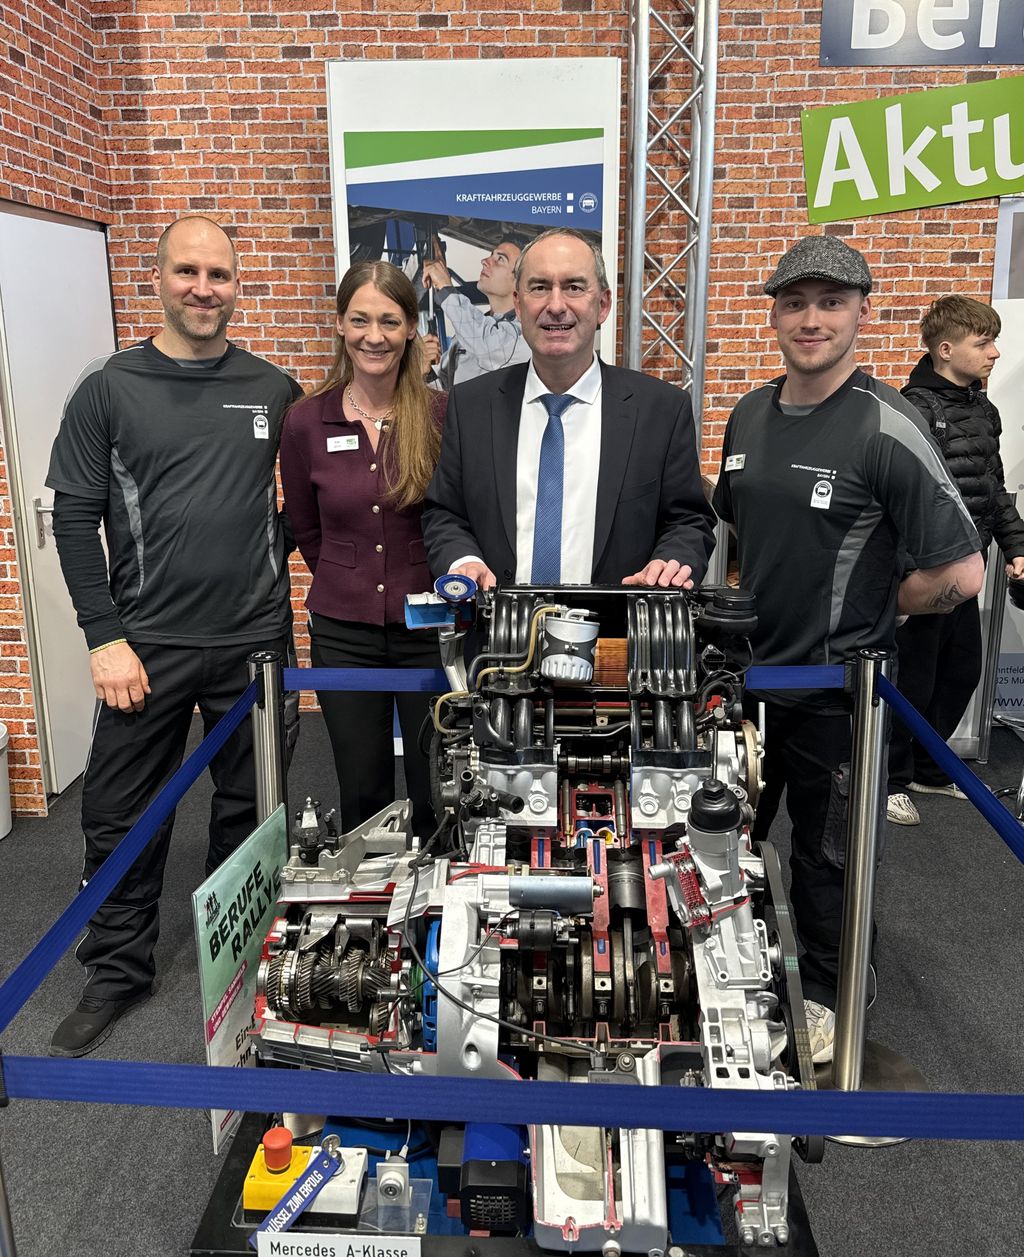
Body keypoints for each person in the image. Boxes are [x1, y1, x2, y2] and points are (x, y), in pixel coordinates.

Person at [712, 235, 983, 1065]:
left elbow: (963, 573)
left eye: (831, 302)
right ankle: (731, 978)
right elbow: (734, 532)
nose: (811, 319)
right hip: (745, 686)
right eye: (794, 303)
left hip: (842, 695)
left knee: (829, 862)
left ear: (864, 311)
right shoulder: (751, 411)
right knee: (721, 846)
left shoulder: (887, 425)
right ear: (775, 316)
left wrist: (874, 616)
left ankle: (829, 999)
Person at [46, 216, 303, 1058]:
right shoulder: (108, 388)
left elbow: (301, 503)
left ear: (238, 284)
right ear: (158, 278)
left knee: (252, 807)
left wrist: (263, 559)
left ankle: (241, 956)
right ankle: (117, 968)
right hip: (143, 646)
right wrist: (101, 636)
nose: (204, 288)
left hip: (255, 641)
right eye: (188, 271)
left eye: (220, 274)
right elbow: (75, 518)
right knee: (120, 812)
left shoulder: (273, 389)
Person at [422, 228, 716, 590]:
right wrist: (464, 561)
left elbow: (688, 521)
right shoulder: (470, 407)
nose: (556, 305)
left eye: (574, 287)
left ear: (603, 305)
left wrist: (669, 563)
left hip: (616, 637)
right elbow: (444, 513)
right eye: (540, 287)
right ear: (518, 303)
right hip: (499, 636)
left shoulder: (661, 411)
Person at [280, 261, 446, 842]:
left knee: (437, 777)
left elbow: (455, 516)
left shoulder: (440, 416)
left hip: (430, 627)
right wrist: (349, 573)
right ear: (340, 326)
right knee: (362, 779)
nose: (374, 336)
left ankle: (440, 900)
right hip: (342, 628)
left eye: (389, 321)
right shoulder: (305, 421)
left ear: (409, 330)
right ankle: (372, 900)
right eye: (360, 320)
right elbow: (306, 527)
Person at [887, 297, 1024, 826]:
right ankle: (889, 778)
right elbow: (897, 501)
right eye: (982, 342)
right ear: (946, 350)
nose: (994, 353)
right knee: (909, 682)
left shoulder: (983, 410)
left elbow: (993, 490)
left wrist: (1017, 546)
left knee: (961, 672)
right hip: (923, 574)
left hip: (968, 571)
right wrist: (902, 582)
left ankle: (928, 767)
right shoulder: (912, 409)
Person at [421, 239, 532, 391]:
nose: (485, 261)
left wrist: (445, 288)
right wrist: (426, 374)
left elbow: (486, 344)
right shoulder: (467, 334)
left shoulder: (525, 334)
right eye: (490, 255)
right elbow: (445, 393)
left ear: (520, 283)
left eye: (500, 259)